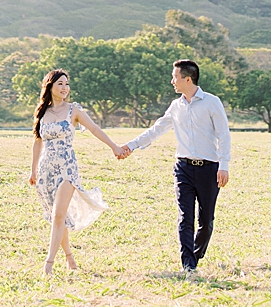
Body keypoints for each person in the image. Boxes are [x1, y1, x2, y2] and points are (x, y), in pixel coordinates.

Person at [116, 59, 231, 274]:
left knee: (205, 222)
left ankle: (195, 255)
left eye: (175, 77)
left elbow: (223, 135)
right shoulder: (175, 106)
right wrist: (131, 146)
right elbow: (156, 130)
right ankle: (188, 265)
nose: (172, 81)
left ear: (188, 79)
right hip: (183, 168)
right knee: (185, 217)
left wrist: (223, 165)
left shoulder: (212, 102)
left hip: (209, 169)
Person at [29, 68, 127, 275]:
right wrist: (33, 171)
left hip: (67, 167)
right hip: (46, 169)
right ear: (50, 87)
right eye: (60, 84)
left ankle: (48, 265)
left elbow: (94, 129)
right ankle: (70, 258)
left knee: (59, 215)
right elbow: (37, 142)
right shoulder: (42, 112)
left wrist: (114, 147)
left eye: (67, 84)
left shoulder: (74, 110)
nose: (65, 88)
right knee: (58, 217)